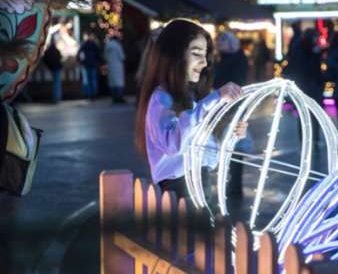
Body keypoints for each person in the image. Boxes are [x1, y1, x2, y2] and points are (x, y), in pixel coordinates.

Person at [135, 19, 246, 198]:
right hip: (177, 189)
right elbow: (174, 144)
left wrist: (231, 134)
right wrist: (214, 99)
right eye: (196, 53)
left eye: (205, 55)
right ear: (175, 55)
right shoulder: (161, 98)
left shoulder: (193, 98)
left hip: (201, 185)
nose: (204, 63)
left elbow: (209, 154)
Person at [214, 31, 249, 197]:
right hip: (225, 107)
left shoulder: (236, 60)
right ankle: (232, 183)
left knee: (234, 143)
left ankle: (234, 184)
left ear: (231, 43)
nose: (219, 44)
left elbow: (235, 83)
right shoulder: (224, 59)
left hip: (233, 108)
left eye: (222, 41)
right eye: (218, 41)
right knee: (227, 143)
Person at [77, 31, 101, 99]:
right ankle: (94, 93)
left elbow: (79, 53)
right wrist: (97, 61)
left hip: (87, 64)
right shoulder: (94, 44)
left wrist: (82, 61)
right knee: (93, 79)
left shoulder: (84, 45)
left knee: (88, 80)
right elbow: (98, 54)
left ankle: (90, 94)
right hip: (93, 64)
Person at [104, 36, 126, 103]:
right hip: (118, 66)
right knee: (119, 82)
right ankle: (119, 97)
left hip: (110, 65)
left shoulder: (107, 46)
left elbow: (105, 56)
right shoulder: (117, 45)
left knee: (112, 82)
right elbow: (122, 56)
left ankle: (114, 98)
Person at [42, 37, 63, 103]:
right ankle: (57, 97)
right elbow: (60, 57)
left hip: (52, 68)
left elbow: (44, 59)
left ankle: (55, 97)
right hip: (57, 67)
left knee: (55, 83)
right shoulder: (56, 50)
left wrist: (49, 66)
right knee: (57, 83)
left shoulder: (47, 51)